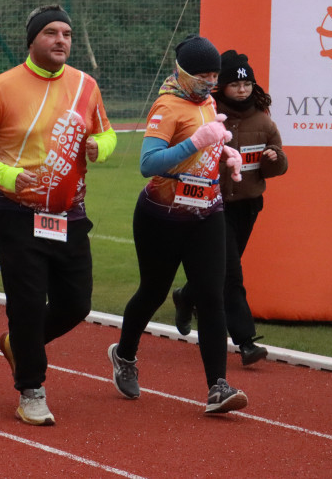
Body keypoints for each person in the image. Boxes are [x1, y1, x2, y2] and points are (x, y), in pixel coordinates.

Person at [0, 4, 116, 426]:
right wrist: (4, 173)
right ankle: (31, 390)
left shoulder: (86, 85)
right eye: (51, 33)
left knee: (76, 304)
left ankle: (18, 345)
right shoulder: (3, 87)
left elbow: (106, 132)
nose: (61, 40)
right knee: (26, 304)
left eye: (66, 33)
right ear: (32, 41)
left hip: (70, 213)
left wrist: (104, 147)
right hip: (18, 212)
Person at [109, 34, 249, 415]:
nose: (209, 82)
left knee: (211, 294)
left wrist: (225, 153)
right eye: (201, 75)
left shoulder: (206, 102)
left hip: (207, 211)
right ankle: (124, 354)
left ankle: (217, 387)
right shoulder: (166, 106)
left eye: (213, 75)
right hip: (163, 215)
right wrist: (196, 142)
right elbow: (148, 164)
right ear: (182, 73)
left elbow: (206, 145)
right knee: (153, 292)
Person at [171, 50, 288, 366]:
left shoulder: (263, 122)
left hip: (249, 207)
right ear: (221, 86)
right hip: (213, 205)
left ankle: (187, 295)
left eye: (247, 84)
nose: (242, 90)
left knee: (218, 269)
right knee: (230, 273)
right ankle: (246, 340)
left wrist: (273, 160)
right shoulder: (208, 117)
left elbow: (278, 165)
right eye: (235, 84)